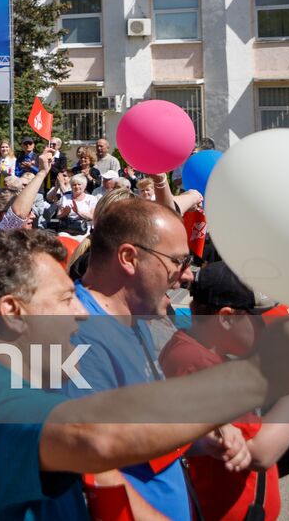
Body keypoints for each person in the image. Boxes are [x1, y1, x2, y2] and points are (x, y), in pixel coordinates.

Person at [0, 227, 289, 521]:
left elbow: (104, 480)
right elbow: (94, 436)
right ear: (13, 313)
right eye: (66, 298)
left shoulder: (15, 387)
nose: (80, 315)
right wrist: (266, 375)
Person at [63, 198, 210, 518]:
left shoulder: (134, 318)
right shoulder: (79, 331)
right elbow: (95, 463)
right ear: (129, 257)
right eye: (178, 261)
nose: (186, 276)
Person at [161, 262, 289, 521]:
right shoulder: (193, 361)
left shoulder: (206, 353)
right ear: (227, 318)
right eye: (262, 322)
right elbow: (260, 453)